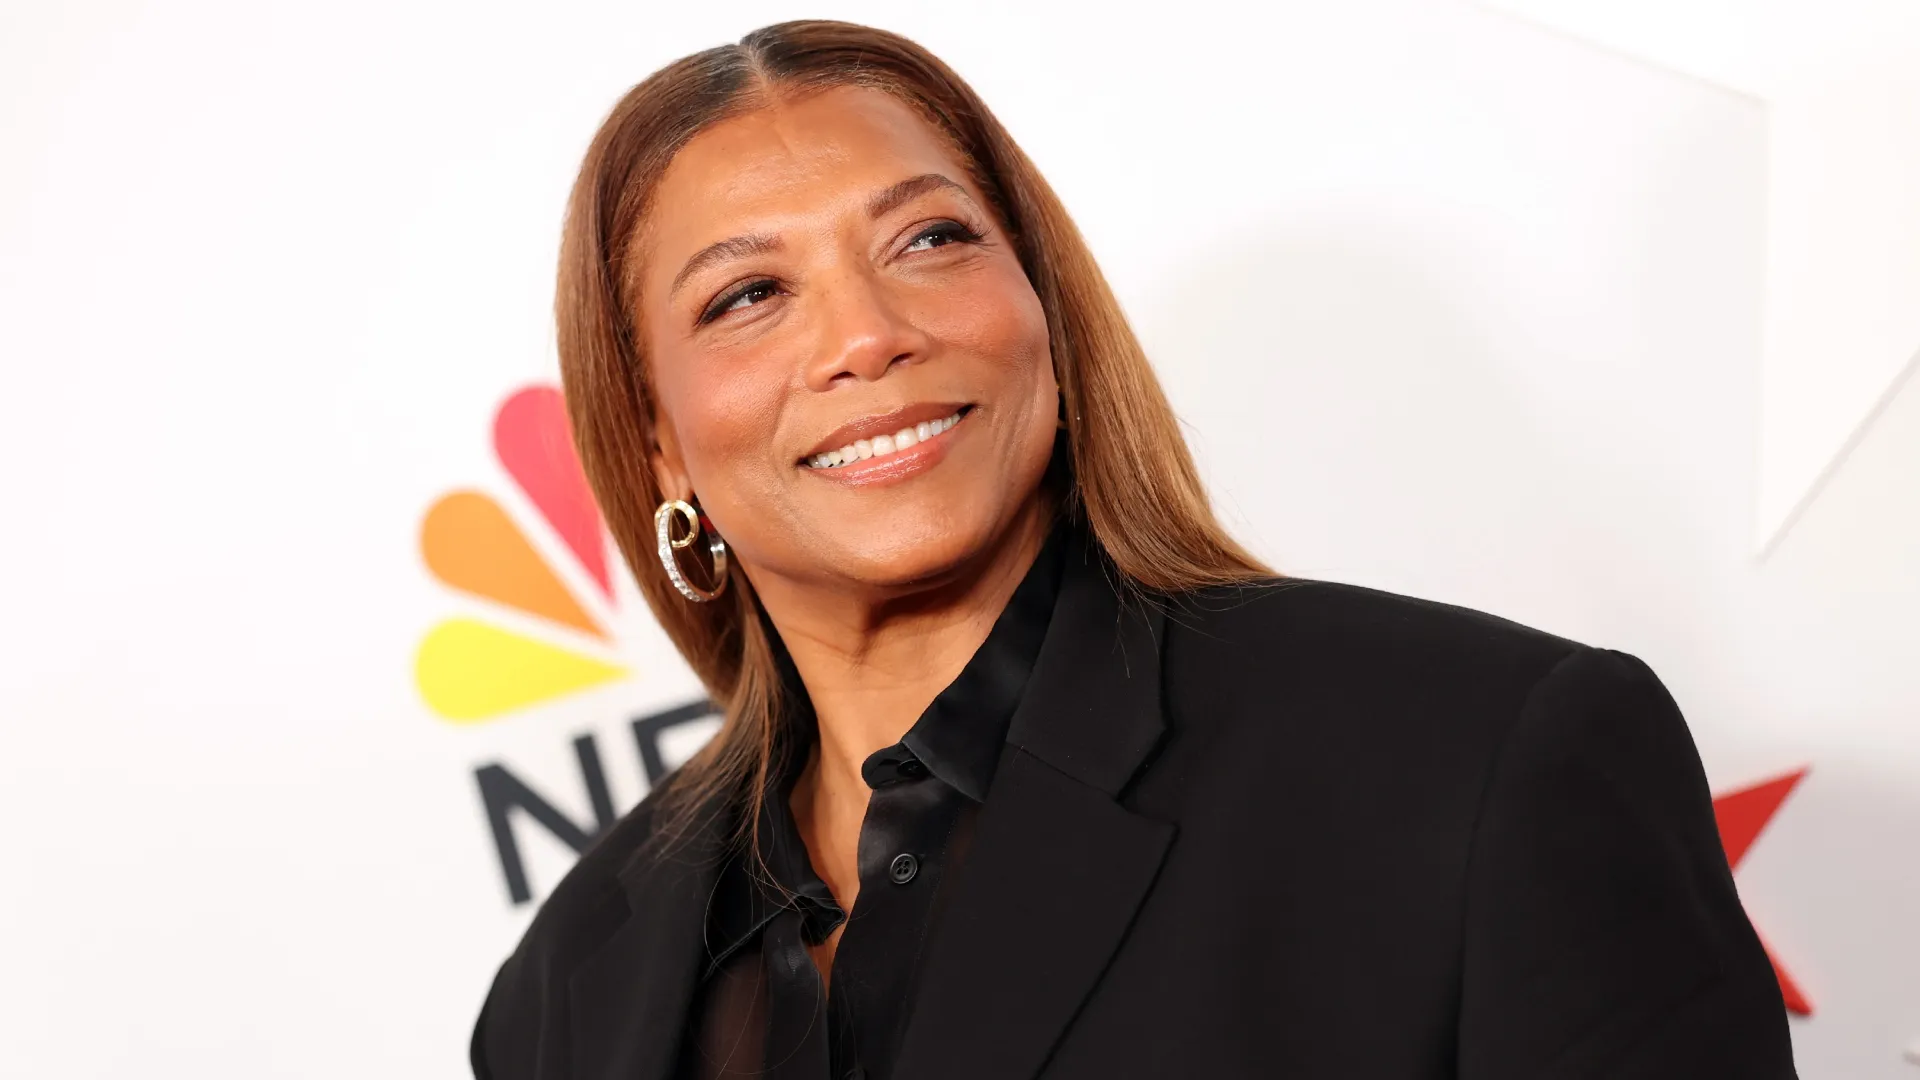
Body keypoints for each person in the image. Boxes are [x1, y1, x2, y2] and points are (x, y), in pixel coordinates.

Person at [468, 18, 1798, 1080]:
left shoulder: (1482, 764)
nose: (867, 334)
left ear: (1040, 303)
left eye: (930, 239)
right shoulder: (574, 977)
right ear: (656, 441)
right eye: (749, 294)